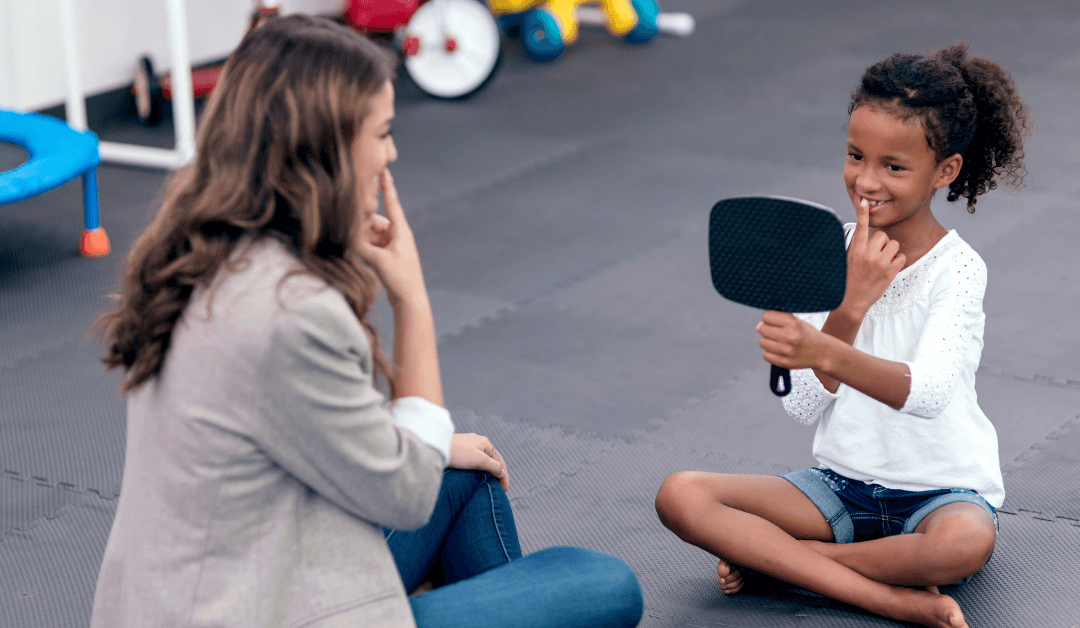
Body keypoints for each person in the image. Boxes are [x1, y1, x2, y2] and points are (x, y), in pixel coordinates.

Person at [89, 15, 642, 628]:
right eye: (382, 132)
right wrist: (412, 299)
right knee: (603, 583)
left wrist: (427, 449)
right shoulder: (292, 313)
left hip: (195, 593)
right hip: (256, 609)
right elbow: (407, 495)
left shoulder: (199, 252)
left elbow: (288, 416)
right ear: (325, 148)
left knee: (463, 477)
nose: (392, 152)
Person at [654, 42, 1029, 628]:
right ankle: (884, 596)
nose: (866, 180)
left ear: (945, 171)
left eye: (894, 166)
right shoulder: (820, 252)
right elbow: (804, 405)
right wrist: (850, 304)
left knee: (962, 546)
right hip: (836, 489)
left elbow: (926, 395)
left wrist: (822, 346)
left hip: (941, 495)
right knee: (681, 495)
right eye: (856, 155)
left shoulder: (959, 270)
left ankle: (788, 566)